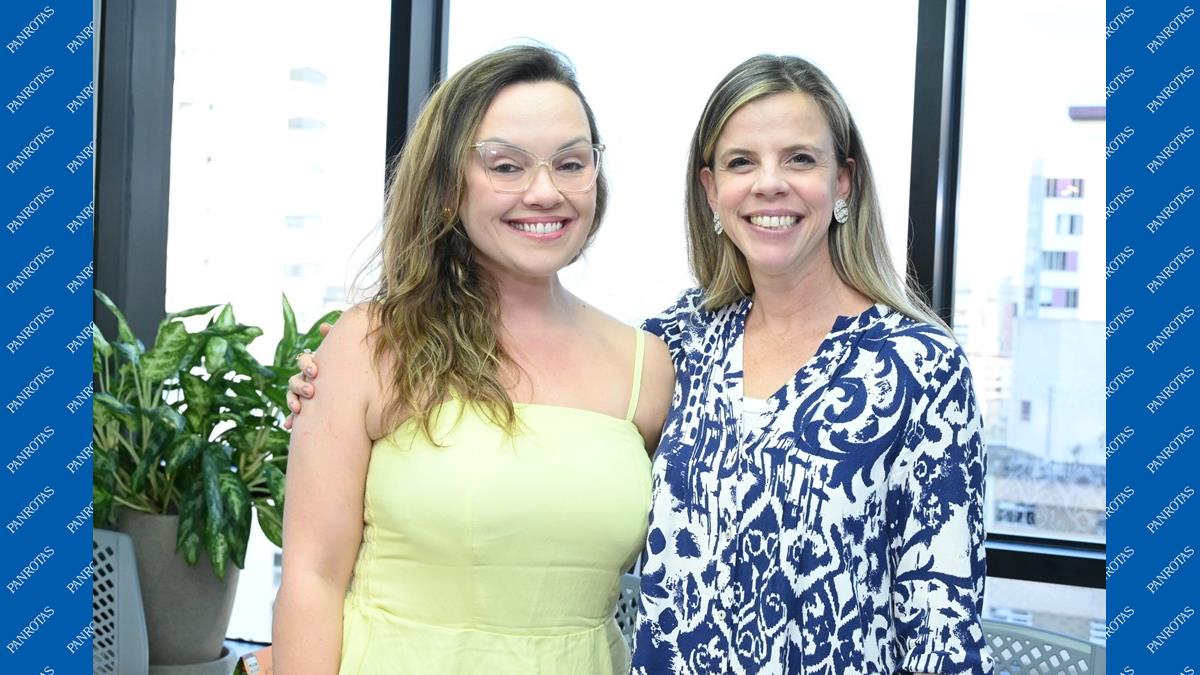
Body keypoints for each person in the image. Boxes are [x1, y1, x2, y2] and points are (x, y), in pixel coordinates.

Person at [290, 54, 992, 675]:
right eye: (741, 162)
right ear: (710, 189)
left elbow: (942, 626)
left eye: (801, 159)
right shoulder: (681, 346)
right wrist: (325, 396)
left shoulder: (917, 367)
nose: (770, 184)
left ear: (844, 183)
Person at [271, 44, 674, 675]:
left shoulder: (646, 367)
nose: (545, 192)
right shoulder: (373, 345)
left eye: (571, 163)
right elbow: (312, 578)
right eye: (506, 166)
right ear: (448, 182)